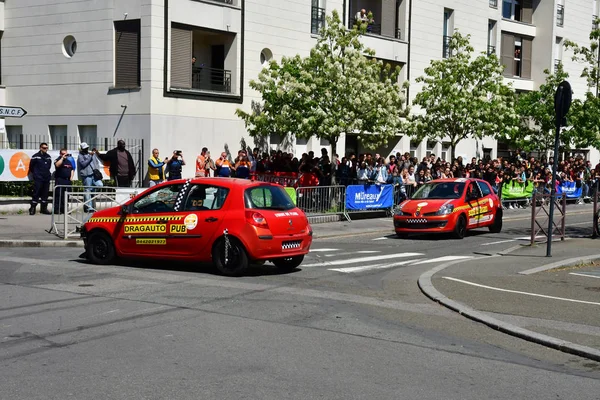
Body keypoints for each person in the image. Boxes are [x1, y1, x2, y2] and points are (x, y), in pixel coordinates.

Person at [77, 142, 104, 213]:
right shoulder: (80, 156)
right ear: (82, 149)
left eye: (87, 148)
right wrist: (90, 157)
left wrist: (97, 171)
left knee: (100, 185)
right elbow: (83, 164)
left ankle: (93, 193)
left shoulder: (91, 154)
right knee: (87, 190)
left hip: (94, 174)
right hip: (86, 175)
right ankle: (89, 207)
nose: (86, 149)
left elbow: (96, 163)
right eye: (85, 148)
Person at [28, 142, 53, 215]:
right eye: (44, 148)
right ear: (41, 148)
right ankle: (32, 208)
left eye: (47, 148)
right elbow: (31, 167)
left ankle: (44, 208)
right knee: (36, 192)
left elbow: (49, 166)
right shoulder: (35, 156)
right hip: (38, 178)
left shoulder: (48, 157)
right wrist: (36, 174)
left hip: (46, 178)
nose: (46, 149)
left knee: (45, 193)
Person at [53, 148, 75, 215]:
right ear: (60, 154)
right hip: (60, 179)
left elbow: (72, 169)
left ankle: (64, 209)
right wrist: (62, 158)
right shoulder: (58, 159)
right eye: (63, 154)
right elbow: (57, 165)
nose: (65, 155)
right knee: (58, 195)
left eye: (66, 154)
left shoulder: (68, 161)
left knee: (66, 196)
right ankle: (57, 209)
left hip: (67, 180)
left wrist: (71, 178)